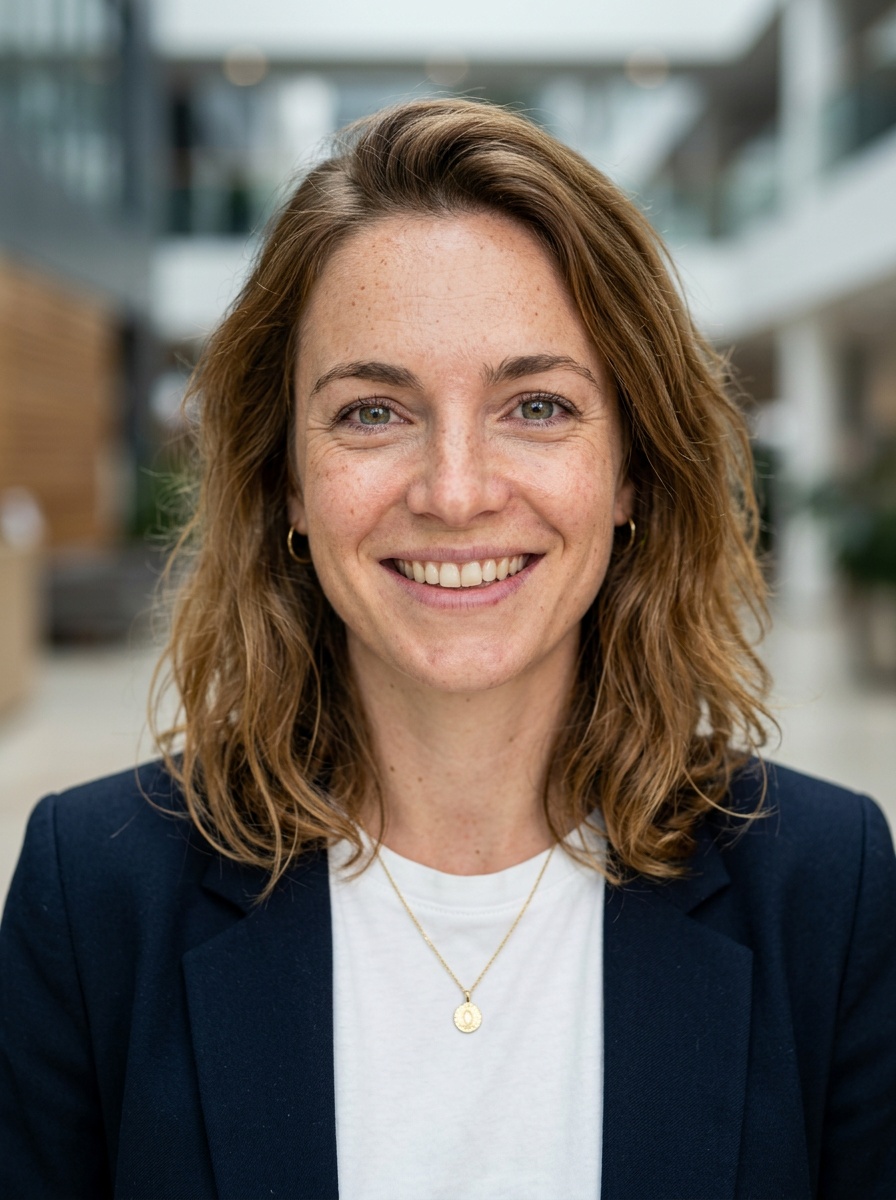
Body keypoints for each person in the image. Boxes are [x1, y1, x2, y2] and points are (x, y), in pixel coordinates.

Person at [1, 98, 894, 1200]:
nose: (456, 493)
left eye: (535, 404)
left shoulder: (823, 883)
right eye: (373, 413)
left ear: (629, 471)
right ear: (286, 475)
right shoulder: (93, 891)